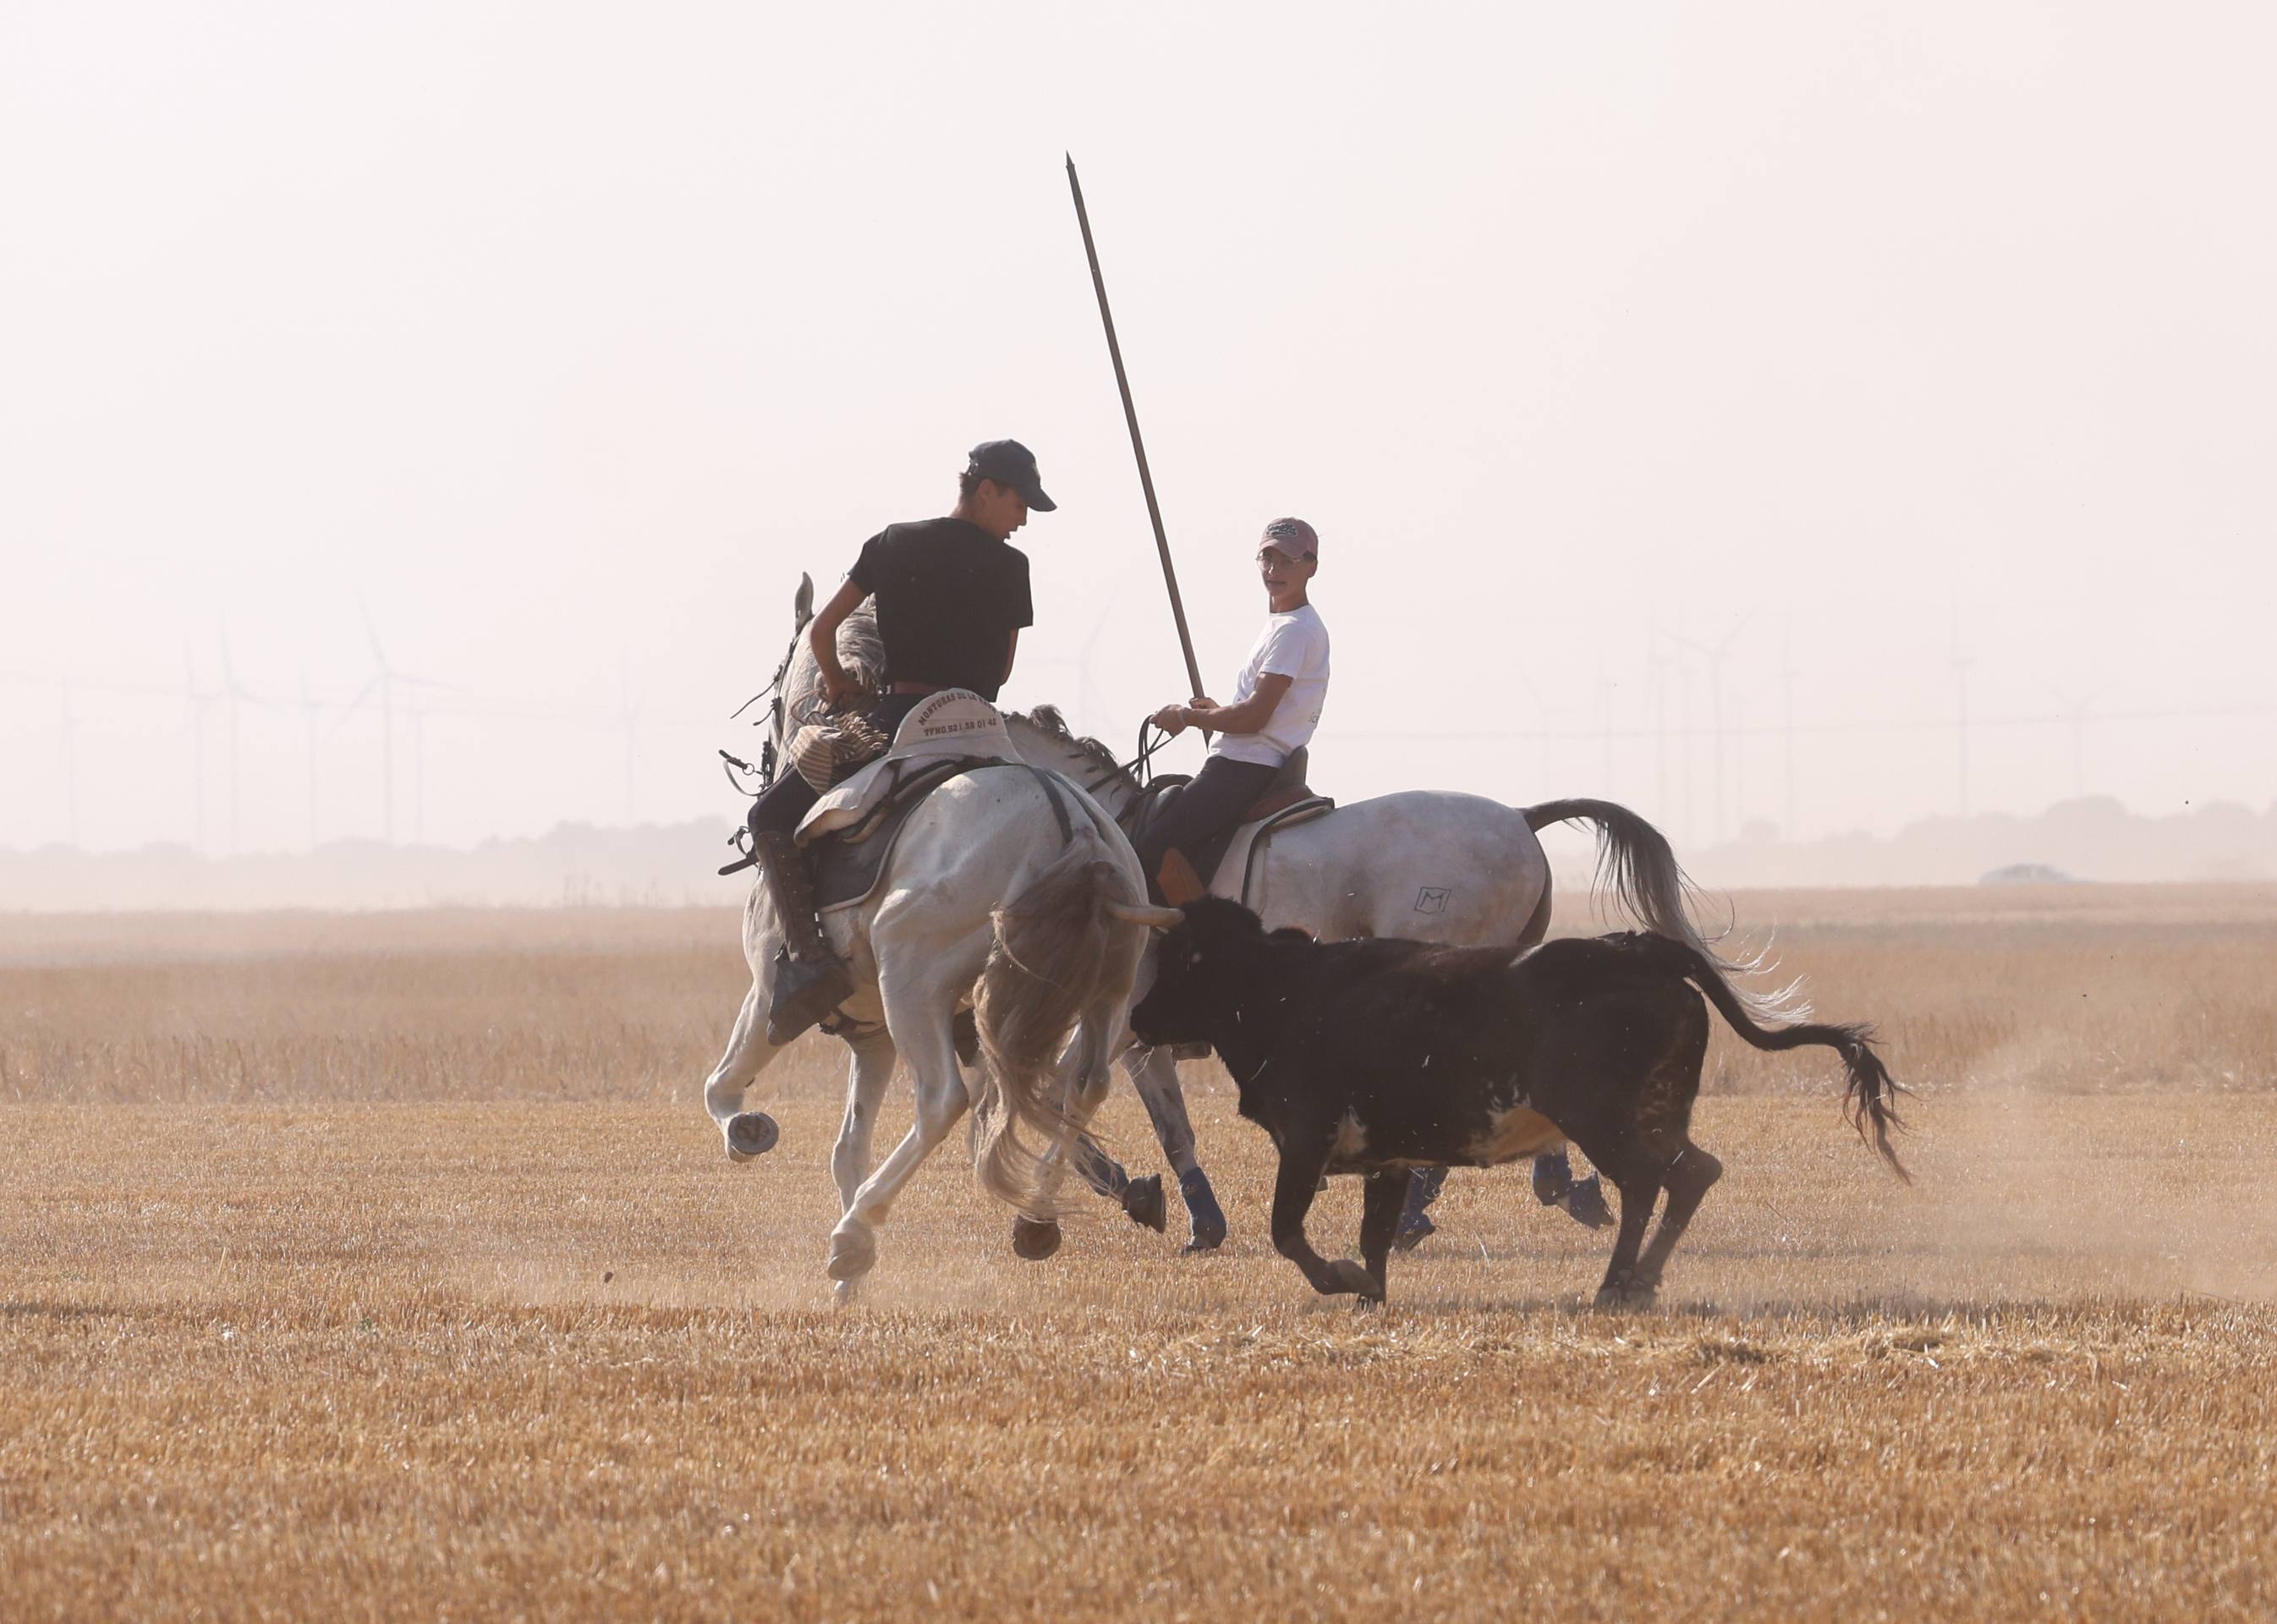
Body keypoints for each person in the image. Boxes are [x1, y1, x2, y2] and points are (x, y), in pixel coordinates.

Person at [742, 438, 1053, 1044]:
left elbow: (822, 631)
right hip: (984, 730)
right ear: (986, 491)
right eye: (1020, 505)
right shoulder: (1013, 568)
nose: (1022, 521)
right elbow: (1004, 671)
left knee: (769, 816)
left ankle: (807, 961)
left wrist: (837, 682)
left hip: (900, 721)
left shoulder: (893, 543)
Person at [1137, 517, 1328, 903]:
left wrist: (1186, 717)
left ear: (1311, 567)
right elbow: (1261, 712)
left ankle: (1194, 932)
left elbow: (1254, 717)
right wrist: (1220, 712)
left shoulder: (1293, 630)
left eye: (1288, 561)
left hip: (1243, 767)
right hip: (1251, 760)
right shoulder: (1284, 624)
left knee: (1145, 853)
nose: (1274, 570)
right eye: (1267, 559)